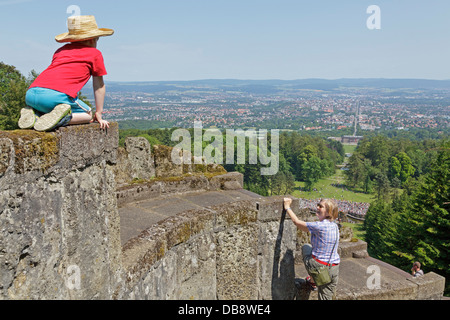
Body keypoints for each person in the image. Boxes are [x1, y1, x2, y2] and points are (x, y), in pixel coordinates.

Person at [19, 15, 113, 131]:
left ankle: (35, 114)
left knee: (51, 107)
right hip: (55, 96)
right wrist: (98, 112)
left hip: (31, 94)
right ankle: (60, 119)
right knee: (87, 114)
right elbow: (99, 85)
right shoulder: (94, 54)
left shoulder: (61, 50)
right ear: (92, 39)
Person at [284, 197, 340, 300]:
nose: (317, 207)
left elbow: (297, 222)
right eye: (318, 204)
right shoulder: (335, 226)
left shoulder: (320, 226)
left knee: (305, 247)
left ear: (328, 212)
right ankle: (313, 280)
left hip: (320, 267)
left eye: (321, 206)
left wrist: (287, 207)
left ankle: (313, 280)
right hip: (334, 268)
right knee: (327, 297)